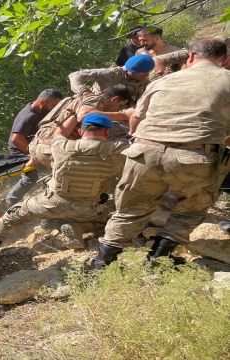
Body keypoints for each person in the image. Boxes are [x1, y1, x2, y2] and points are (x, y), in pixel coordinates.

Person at [94, 38, 230, 270]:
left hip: (145, 152)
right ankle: (159, 260)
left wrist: (136, 137)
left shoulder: (164, 81)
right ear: (225, 60)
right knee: (191, 209)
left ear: (190, 58)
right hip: (196, 156)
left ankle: (100, 265)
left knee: (129, 211)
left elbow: (136, 116)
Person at [0, 114, 128, 260]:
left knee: (11, 216)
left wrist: (76, 114)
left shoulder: (60, 146)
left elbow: (56, 134)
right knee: (103, 222)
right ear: (108, 132)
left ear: (81, 132)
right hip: (89, 208)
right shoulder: (120, 149)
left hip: (51, 203)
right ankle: (80, 227)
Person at [29, 84, 132, 170]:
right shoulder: (97, 100)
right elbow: (83, 116)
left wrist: (34, 157)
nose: (117, 109)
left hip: (38, 145)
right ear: (114, 99)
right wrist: (123, 115)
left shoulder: (78, 98)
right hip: (52, 147)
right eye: (119, 105)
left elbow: (51, 125)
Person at [5, 89, 64, 206]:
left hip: (33, 146)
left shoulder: (40, 111)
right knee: (29, 178)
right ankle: (10, 201)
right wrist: (32, 155)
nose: (54, 109)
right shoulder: (29, 116)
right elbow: (16, 139)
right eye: (53, 105)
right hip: (20, 149)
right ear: (42, 102)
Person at [69, 54, 155, 107]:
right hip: (94, 108)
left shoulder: (144, 82)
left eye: (149, 71)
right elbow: (76, 75)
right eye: (143, 72)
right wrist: (82, 90)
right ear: (131, 70)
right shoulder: (110, 74)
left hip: (122, 117)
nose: (146, 75)